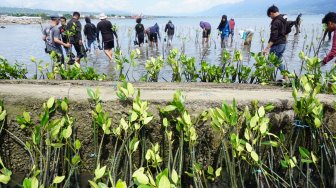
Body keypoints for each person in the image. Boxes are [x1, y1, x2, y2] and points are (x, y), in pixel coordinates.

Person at [263, 5, 287, 74]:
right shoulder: (284, 19)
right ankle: (286, 77)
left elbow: (274, 37)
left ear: (271, 13)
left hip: (277, 45)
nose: (271, 18)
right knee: (277, 61)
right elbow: (287, 30)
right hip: (283, 44)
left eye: (270, 16)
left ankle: (267, 79)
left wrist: (266, 48)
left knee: (270, 62)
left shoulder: (276, 22)